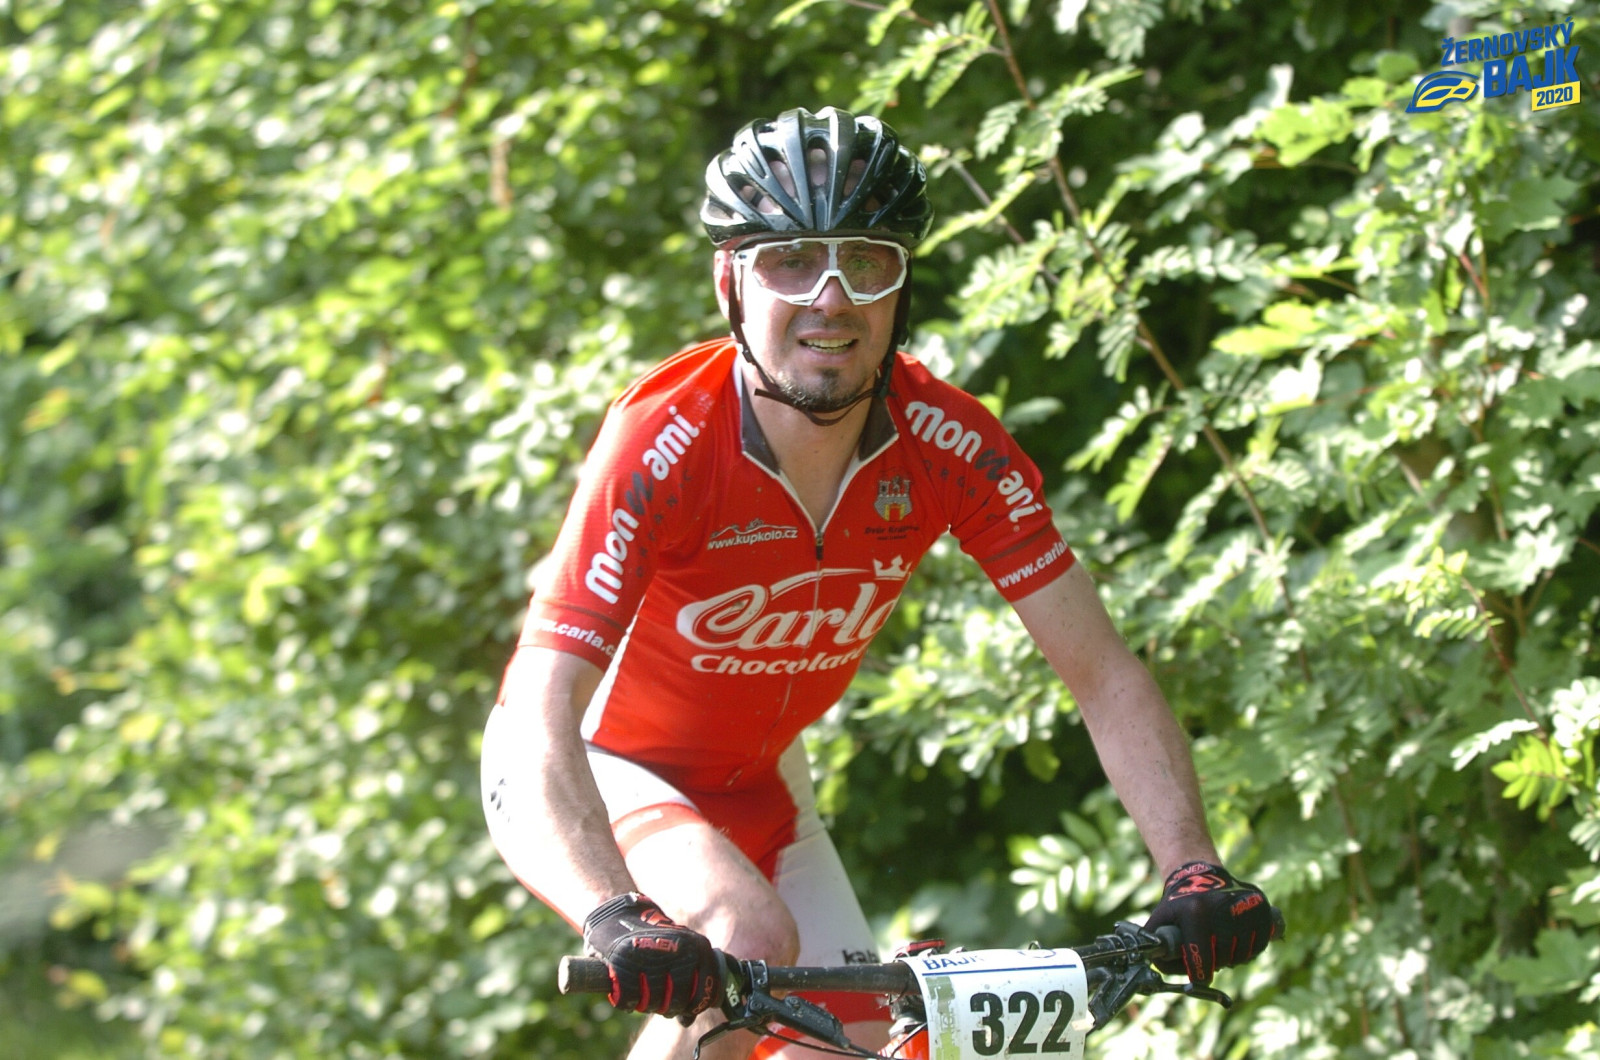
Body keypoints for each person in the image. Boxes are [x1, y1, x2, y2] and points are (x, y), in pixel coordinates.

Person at [480, 106, 1278, 1060]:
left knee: (862, 1046)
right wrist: (613, 910)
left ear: (903, 289)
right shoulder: (666, 441)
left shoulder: (949, 444)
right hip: (592, 761)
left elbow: (1103, 673)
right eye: (790, 262)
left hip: (766, 788)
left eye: (866, 262)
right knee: (742, 932)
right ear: (730, 280)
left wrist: (1193, 869)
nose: (831, 298)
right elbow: (540, 702)